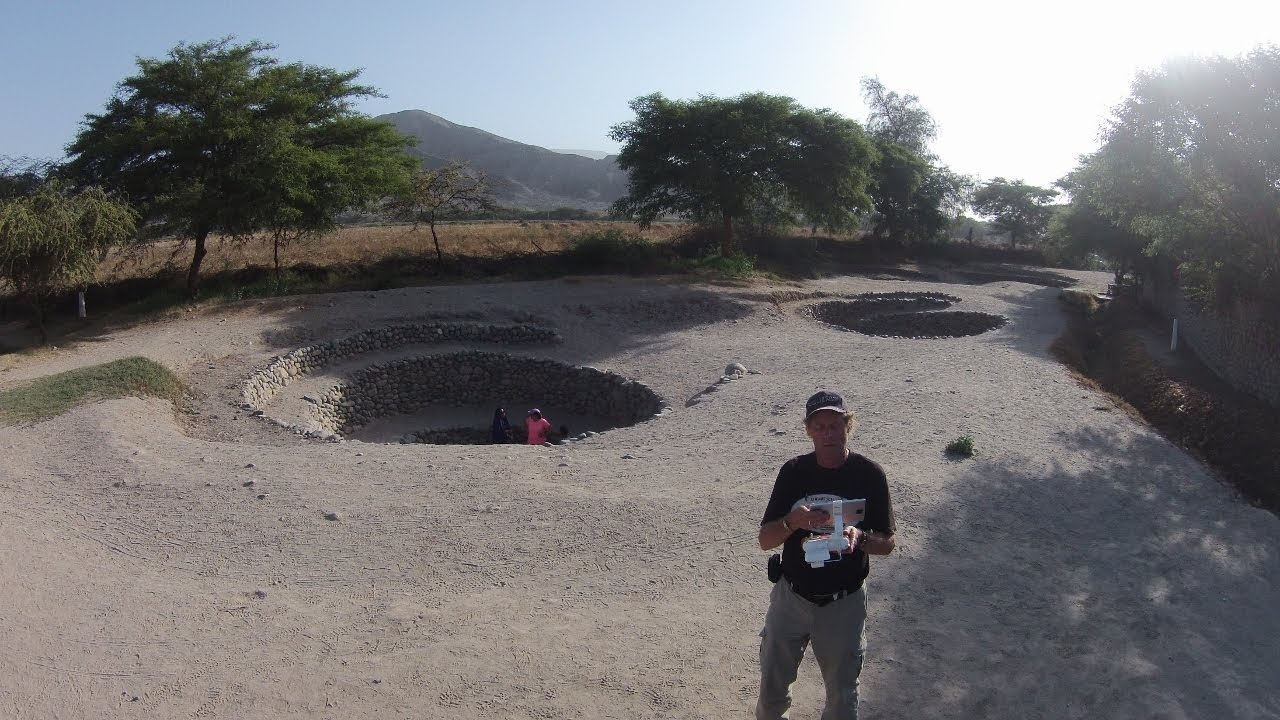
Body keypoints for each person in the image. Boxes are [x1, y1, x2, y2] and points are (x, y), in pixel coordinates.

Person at [756, 390, 896, 720]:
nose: (827, 433)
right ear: (809, 431)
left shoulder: (869, 475)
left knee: (842, 696)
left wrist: (861, 538)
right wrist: (792, 522)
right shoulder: (793, 472)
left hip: (843, 603)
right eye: (819, 427)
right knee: (772, 689)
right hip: (791, 599)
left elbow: (887, 543)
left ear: (848, 426)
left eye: (834, 425)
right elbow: (765, 540)